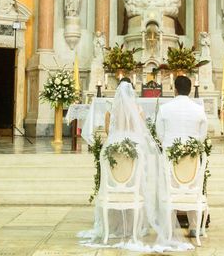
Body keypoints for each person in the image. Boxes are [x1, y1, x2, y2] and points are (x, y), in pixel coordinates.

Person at [79, 79, 192, 251]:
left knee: (116, 181)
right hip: (135, 149)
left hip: (114, 149)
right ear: (132, 92)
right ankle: (136, 225)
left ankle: (114, 223)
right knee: (137, 184)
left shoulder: (111, 112)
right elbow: (141, 131)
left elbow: (109, 133)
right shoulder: (138, 110)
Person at [156, 76, 208, 238]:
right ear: (190, 89)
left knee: (169, 191)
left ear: (175, 89)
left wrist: (171, 147)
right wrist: (189, 149)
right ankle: (194, 226)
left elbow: (160, 133)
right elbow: (202, 134)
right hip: (192, 158)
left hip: (170, 157)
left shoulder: (165, 108)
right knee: (192, 189)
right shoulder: (198, 109)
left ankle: (170, 227)